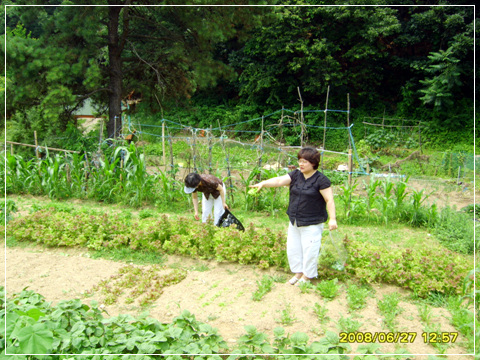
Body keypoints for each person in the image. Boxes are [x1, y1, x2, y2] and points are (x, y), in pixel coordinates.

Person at [249, 147, 337, 286]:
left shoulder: (321, 180)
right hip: (295, 220)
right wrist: (263, 183)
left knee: (310, 250)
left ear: (313, 163)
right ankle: (298, 272)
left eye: (305, 162)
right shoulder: (296, 175)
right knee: (293, 248)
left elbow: (329, 200)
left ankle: (307, 276)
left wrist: (333, 219)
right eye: (300, 161)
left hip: (312, 222)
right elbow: (278, 181)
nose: (301, 164)